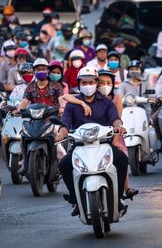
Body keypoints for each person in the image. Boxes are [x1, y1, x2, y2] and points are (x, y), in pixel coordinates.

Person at [58, 67, 128, 216]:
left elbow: (115, 118)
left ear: (96, 83)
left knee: (122, 160)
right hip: (79, 146)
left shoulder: (107, 102)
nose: (88, 85)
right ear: (79, 84)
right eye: (84, 82)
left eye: (91, 82)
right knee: (64, 165)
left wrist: (118, 127)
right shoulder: (73, 103)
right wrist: (60, 135)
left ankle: (119, 197)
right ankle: (76, 199)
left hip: (104, 144)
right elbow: (65, 124)